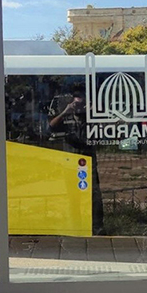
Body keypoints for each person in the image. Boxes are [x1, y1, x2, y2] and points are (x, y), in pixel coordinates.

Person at [49, 91, 104, 235]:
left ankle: (97, 228)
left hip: (88, 161)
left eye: (82, 104)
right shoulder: (66, 120)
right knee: (73, 197)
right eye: (77, 104)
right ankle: (76, 226)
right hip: (71, 163)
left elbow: (104, 131)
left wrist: (94, 113)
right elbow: (51, 126)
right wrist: (65, 112)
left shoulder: (90, 120)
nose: (79, 108)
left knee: (94, 196)